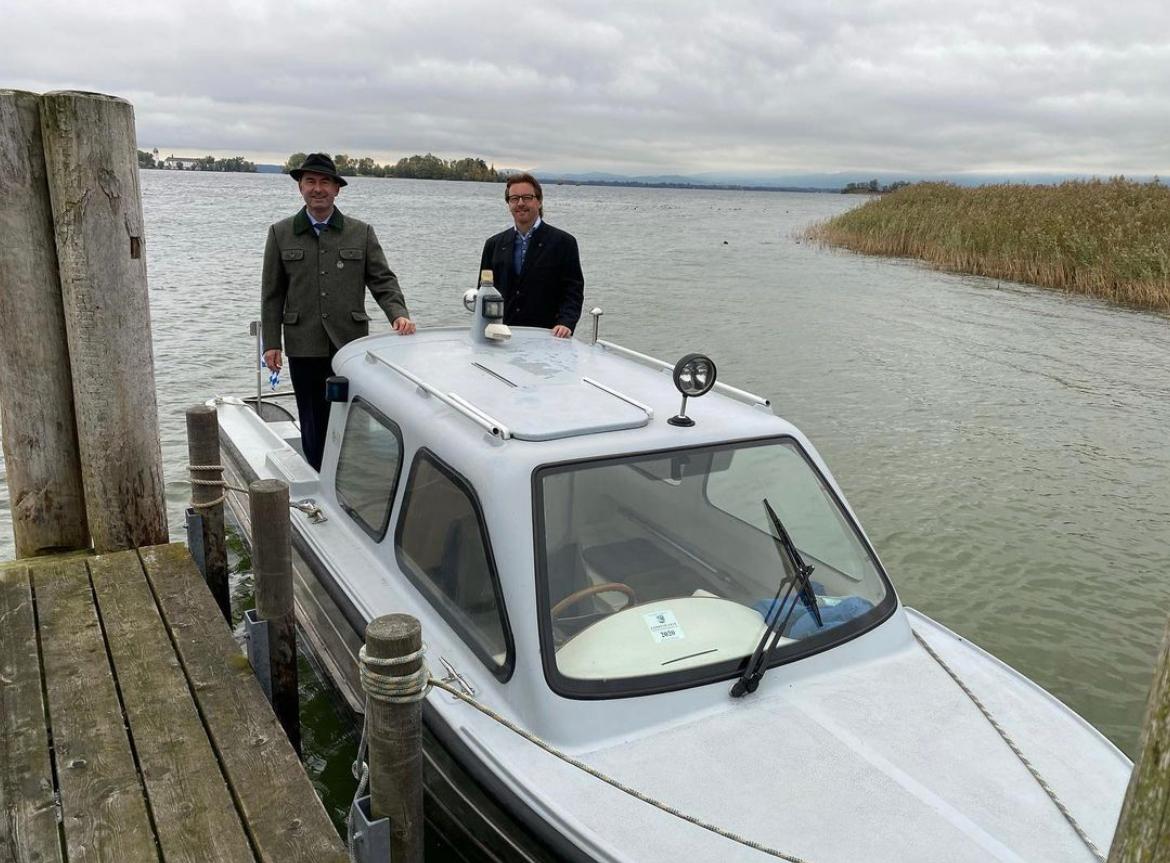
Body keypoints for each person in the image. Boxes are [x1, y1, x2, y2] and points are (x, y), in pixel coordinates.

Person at [261, 152, 415, 471]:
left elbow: (382, 279)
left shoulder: (361, 232)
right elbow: (272, 295)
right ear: (300, 187)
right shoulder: (280, 233)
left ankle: (348, 477)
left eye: (324, 182)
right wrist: (271, 344)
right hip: (303, 343)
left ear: (337, 189)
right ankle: (319, 478)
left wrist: (397, 313)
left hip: (350, 342)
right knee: (313, 417)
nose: (318, 189)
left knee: (349, 413)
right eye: (310, 182)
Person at [479, 173, 583, 337]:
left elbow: (573, 290)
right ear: (508, 204)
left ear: (539, 201)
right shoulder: (493, 244)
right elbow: (484, 292)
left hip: (548, 336)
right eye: (514, 198)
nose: (520, 203)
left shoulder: (564, 242)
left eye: (527, 197)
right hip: (502, 336)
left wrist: (566, 323)